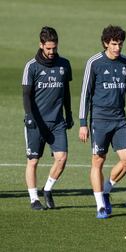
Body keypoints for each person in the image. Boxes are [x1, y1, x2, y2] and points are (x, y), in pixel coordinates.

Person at [79, 25, 126, 219]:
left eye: (120, 44)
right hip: (99, 121)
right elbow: (85, 94)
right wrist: (83, 123)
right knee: (98, 161)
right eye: (114, 44)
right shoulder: (94, 63)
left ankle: (106, 191)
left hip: (120, 120)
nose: (117, 48)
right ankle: (100, 206)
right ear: (105, 43)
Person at [22, 26, 73, 210]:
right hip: (36, 122)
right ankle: (34, 199)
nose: (52, 52)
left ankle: (48, 189)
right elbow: (26, 95)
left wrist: (69, 113)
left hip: (57, 122)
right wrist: (29, 116)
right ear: (41, 45)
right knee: (33, 161)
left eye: (54, 48)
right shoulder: (32, 66)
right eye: (48, 48)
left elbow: (65, 92)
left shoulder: (64, 64)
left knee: (62, 158)